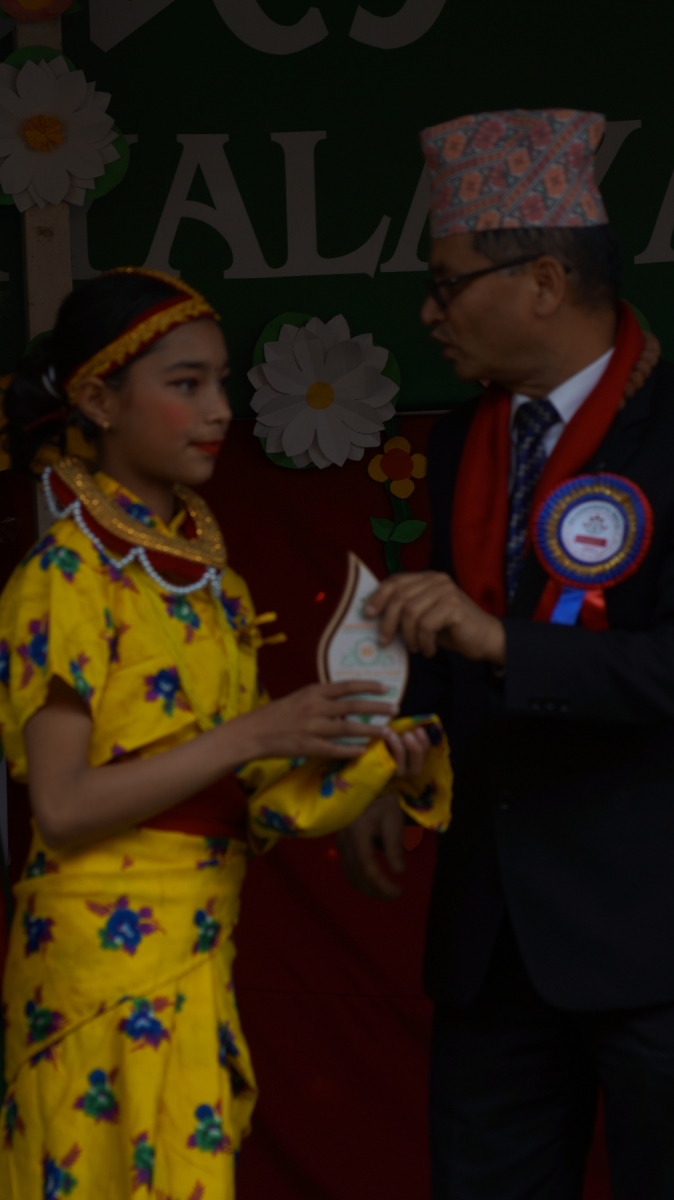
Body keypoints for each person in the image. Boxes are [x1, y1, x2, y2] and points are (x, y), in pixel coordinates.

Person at [0, 267, 451, 1200]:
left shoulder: (217, 590)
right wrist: (256, 733)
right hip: (101, 961)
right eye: (186, 383)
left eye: (223, 381)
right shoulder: (63, 579)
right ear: (99, 400)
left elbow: (258, 807)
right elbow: (65, 805)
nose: (218, 409)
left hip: (199, 942)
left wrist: (373, 762)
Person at [338, 109, 674, 1199]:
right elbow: (444, 644)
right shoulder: (461, 440)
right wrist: (395, 757)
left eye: (446, 284)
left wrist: (504, 643)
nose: (429, 313)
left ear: (542, 281)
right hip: (492, 944)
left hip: (650, 934)